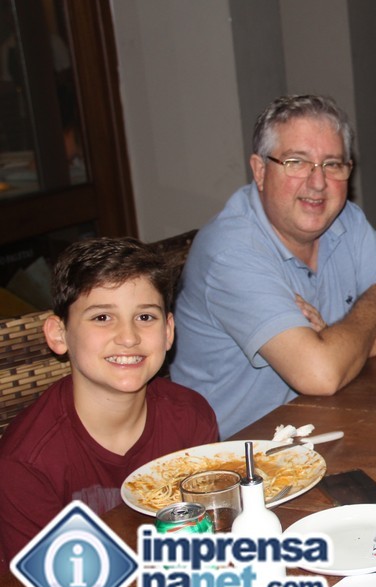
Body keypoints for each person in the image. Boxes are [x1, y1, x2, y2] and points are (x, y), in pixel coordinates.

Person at [172, 94, 376, 438]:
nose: (318, 183)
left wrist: (341, 346)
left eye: (332, 164)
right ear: (260, 171)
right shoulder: (231, 251)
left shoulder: (346, 220)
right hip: (235, 454)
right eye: (296, 162)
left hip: (322, 427)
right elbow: (321, 375)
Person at [0, 238, 219, 565]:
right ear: (59, 334)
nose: (128, 337)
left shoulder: (191, 417)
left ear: (168, 331)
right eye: (102, 317)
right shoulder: (26, 463)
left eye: (145, 317)